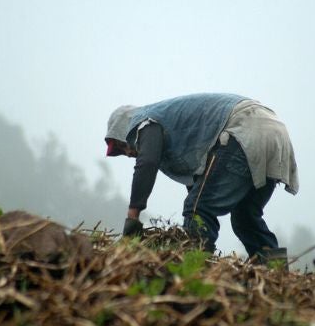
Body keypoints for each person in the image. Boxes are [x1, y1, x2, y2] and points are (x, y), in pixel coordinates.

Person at [104, 92, 299, 262]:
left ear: (125, 128)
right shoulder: (171, 121)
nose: (128, 154)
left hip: (243, 127)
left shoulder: (145, 121)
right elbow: (202, 181)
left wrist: (133, 216)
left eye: (121, 146)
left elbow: (147, 163)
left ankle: (195, 270)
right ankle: (277, 274)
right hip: (275, 131)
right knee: (245, 218)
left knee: (198, 208)